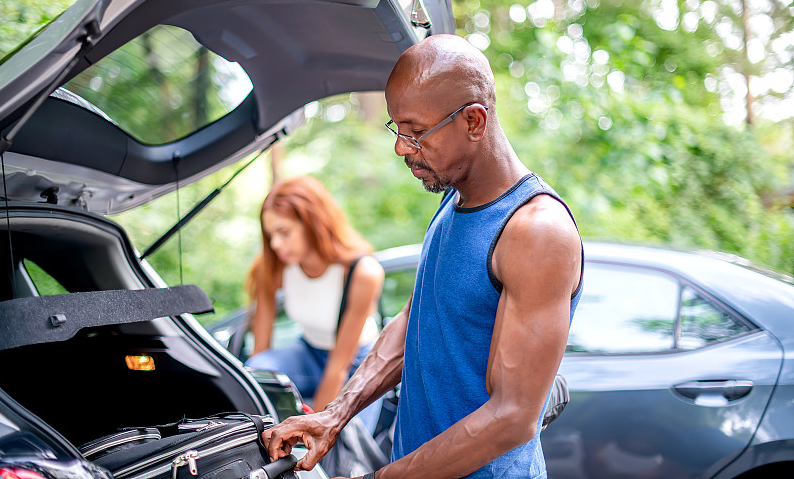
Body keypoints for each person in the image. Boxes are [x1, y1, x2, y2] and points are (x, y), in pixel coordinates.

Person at [263, 34, 584, 479]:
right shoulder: (452, 200)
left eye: (416, 132)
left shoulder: (535, 232)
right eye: (398, 129)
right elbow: (419, 317)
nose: (401, 147)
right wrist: (334, 414)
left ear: (474, 121)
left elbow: (512, 416)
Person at [244, 175, 384, 416]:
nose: (275, 244)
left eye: (284, 232)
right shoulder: (273, 266)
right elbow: (260, 354)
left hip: (357, 364)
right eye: (270, 235)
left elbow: (338, 367)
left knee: (346, 445)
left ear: (312, 222)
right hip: (308, 353)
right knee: (256, 372)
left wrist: (316, 429)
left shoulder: (363, 273)